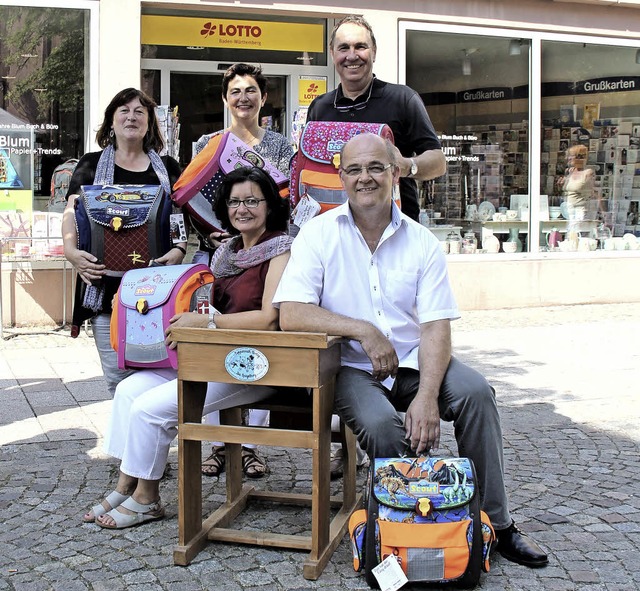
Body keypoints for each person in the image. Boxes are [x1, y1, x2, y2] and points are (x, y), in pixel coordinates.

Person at [273, 132, 549, 569]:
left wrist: (426, 397)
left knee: (476, 393)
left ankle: (495, 523)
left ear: (396, 173)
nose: (365, 178)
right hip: (350, 368)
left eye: (376, 168)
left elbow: (436, 324)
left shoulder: (421, 241)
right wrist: (361, 329)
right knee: (382, 425)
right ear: (341, 177)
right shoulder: (317, 234)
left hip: (415, 363)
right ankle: (402, 530)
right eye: (355, 169)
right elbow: (291, 312)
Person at [83, 166, 292, 528]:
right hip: (213, 356)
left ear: (270, 206)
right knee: (130, 390)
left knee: (151, 408)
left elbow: (269, 319)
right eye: (234, 202)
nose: (242, 209)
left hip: (256, 363)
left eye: (252, 201)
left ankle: (147, 499)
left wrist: (207, 322)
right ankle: (126, 484)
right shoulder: (226, 253)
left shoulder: (282, 251)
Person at [192, 63, 294, 478]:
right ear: (225, 98)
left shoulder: (281, 146)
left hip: (268, 251)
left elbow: (289, 199)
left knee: (259, 346)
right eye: (235, 91)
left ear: (263, 98)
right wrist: (212, 235)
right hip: (221, 254)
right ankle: (218, 445)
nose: (243, 98)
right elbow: (191, 195)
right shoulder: (209, 143)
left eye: (251, 90)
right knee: (216, 347)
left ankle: (251, 447)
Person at [62, 88, 185, 395]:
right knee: (118, 382)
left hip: (158, 291)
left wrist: (180, 248)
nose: (132, 117)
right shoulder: (90, 165)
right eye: (124, 111)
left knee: (160, 376)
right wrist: (70, 252)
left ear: (149, 123)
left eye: (139, 112)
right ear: (111, 121)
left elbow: (179, 217)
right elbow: (70, 211)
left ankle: (148, 440)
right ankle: (127, 442)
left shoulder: (167, 168)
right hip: (105, 291)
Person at [306, 15, 446, 223]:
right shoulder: (320, 107)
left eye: (360, 46)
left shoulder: (403, 99)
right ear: (333, 54)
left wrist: (407, 165)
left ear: (374, 52)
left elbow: (438, 162)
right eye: (343, 48)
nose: (352, 56)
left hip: (394, 232)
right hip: (334, 232)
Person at [561, 144, 599, 247]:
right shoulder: (570, 172)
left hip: (580, 210)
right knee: (569, 237)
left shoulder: (588, 173)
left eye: (570, 155)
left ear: (579, 157)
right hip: (568, 210)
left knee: (576, 238)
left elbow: (594, 192)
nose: (567, 158)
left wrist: (603, 213)